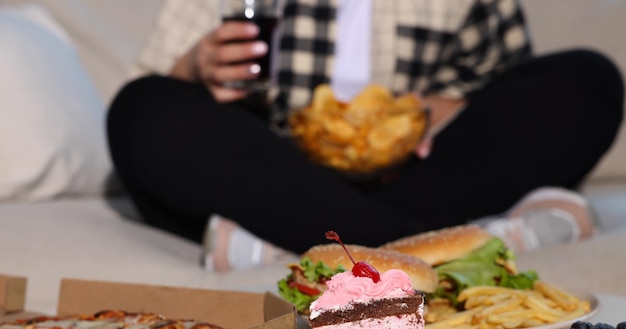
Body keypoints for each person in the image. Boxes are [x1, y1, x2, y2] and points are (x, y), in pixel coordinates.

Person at [107, 0, 624, 272]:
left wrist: (428, 112)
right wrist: (198, 64)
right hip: (279, 177)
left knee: (585, 81)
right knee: (140, 110)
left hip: (423, 172)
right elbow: (162, 89)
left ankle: (308, 255)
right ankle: (461, 251)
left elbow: (503, 101)